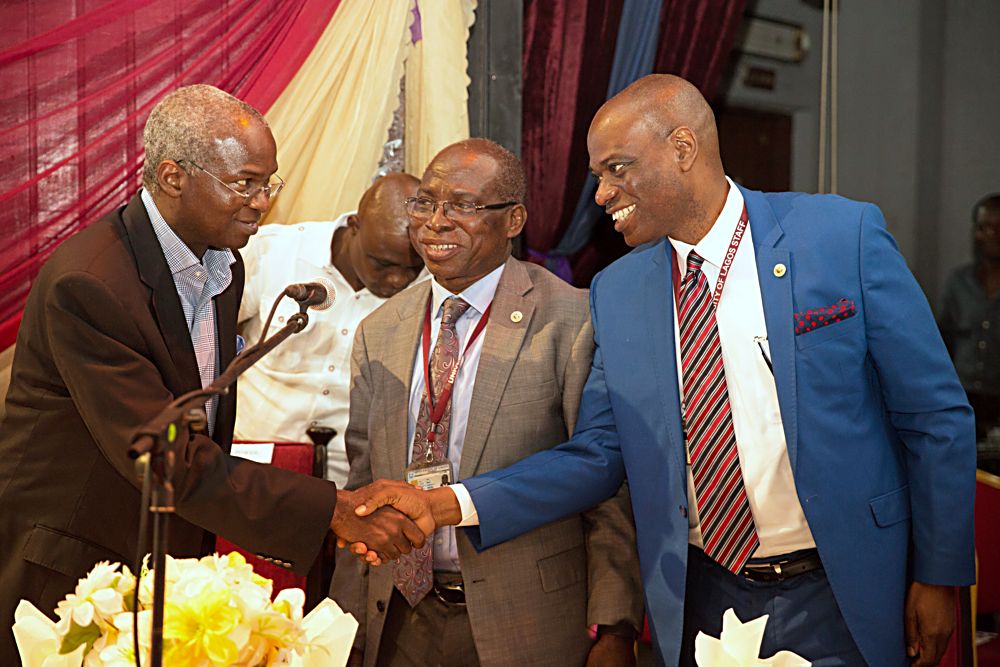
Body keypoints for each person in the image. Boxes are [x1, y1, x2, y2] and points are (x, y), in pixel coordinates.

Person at [352, 75, 976, 667]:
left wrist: (939, 572)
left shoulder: (839, 236)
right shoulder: (618, 291)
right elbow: (597, 455)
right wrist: (445, 504)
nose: (600, 195)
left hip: (845, 586)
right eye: (597, 176)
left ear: (683, 148)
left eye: (616, 169)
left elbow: (934, 416)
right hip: (703, 596)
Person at [0, 84, 422, 662]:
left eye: (267, 182)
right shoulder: (91, 285)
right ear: (173, 177)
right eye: (244, 183)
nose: (261, 201)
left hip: (163, 558)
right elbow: (166, 456)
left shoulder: (223, 266)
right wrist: (334, 510)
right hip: (74, 569)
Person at [331, 138, 643, 666]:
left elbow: (607, 486)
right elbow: (361, 484)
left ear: (514, 219)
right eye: (425, 202)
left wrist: (616, 629)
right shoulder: (378, 330)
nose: (436, 221)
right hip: (401, 618)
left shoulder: (573, 321)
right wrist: (345, 626)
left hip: (526, 621)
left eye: (464, 205)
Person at [235, 172, 425, 485]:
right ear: (355, 226)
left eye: (411, 268)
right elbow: (204, 339)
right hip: (251, 464)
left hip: (349, 484)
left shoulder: (429, 291)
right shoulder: (277, 252)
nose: (397, 280)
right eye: (383, 264)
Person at [939, 194, 1000, 444]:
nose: (993, 235)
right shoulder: (958, 282)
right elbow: (944, 341)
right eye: (986, 227)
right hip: (962, 399)